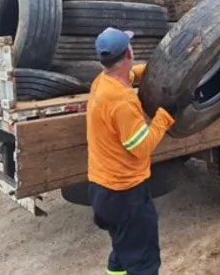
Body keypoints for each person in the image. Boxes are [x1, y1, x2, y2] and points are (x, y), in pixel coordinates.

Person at [86, 27, 177, 275]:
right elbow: (142, 147)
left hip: (102, 191)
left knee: (122, 250)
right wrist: (165, 116)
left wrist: (149, 71)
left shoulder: (101, 83)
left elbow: (127, 77)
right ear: (128, 53)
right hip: (125, 195)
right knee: (144, 263)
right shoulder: (123, 101)